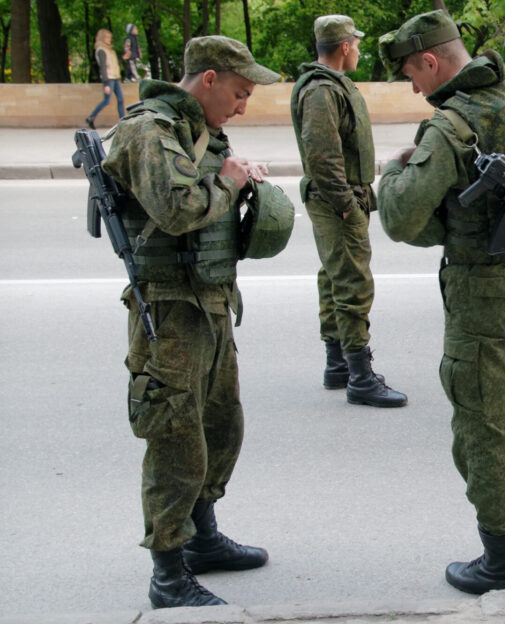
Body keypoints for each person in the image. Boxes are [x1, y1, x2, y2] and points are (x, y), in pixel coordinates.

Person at [375, 9, 505, 594]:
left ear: (430, 61)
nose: (414, 88)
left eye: (412, 75)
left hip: (484, 289)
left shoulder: (449, 127)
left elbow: (399, 218)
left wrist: (391, 172)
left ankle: (499, 563)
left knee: (483, 424)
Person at [101, 35, 280, 608]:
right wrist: (229, 180)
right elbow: (178, 209)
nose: (243, 106)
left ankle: (203, 539)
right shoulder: (148, 131)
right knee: (176, 440)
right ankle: (168, 574)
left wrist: (237, 178)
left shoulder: (192, 129)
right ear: (208, 79)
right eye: (239, 92)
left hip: (210, 301)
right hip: (171, 309)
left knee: (220, 425)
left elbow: (205, 188)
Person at [290, 15, 408, 408]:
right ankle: (360, 376)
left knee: (334, 278)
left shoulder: (329, 85)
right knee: (352, 284)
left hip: (338, 198)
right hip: (337, 201)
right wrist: (346, 205)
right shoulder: (322, 90)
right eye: (355, 44)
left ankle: (338, 365)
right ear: (344, 47)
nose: (358, 50)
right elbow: (322, 155)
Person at [86, 29, 125, 129]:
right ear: (102, 38)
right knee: (107, 101)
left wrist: (123, 58)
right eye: (107, 38)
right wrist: (106, 84)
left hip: (115, 77)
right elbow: (103, 67)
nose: (109, 40)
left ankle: (123, 121)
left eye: (109, 38)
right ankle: (91, 117)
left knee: (121, 99)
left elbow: (115, 63)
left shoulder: (110, 50)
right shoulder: (101, 50)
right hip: (109, 78)